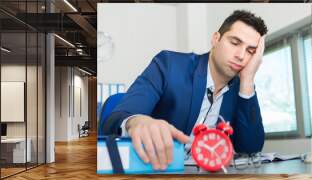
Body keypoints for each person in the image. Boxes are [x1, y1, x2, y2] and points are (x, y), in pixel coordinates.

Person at [103, 10, 268, 171]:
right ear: (216, 39)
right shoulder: (169, 65)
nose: (241, 55)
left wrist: (247, 81)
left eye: (250, 51)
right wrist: (136, 121)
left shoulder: (240, 90)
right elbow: (116, 119)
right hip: (157, 174)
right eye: (235, 43)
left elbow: (251, 150)